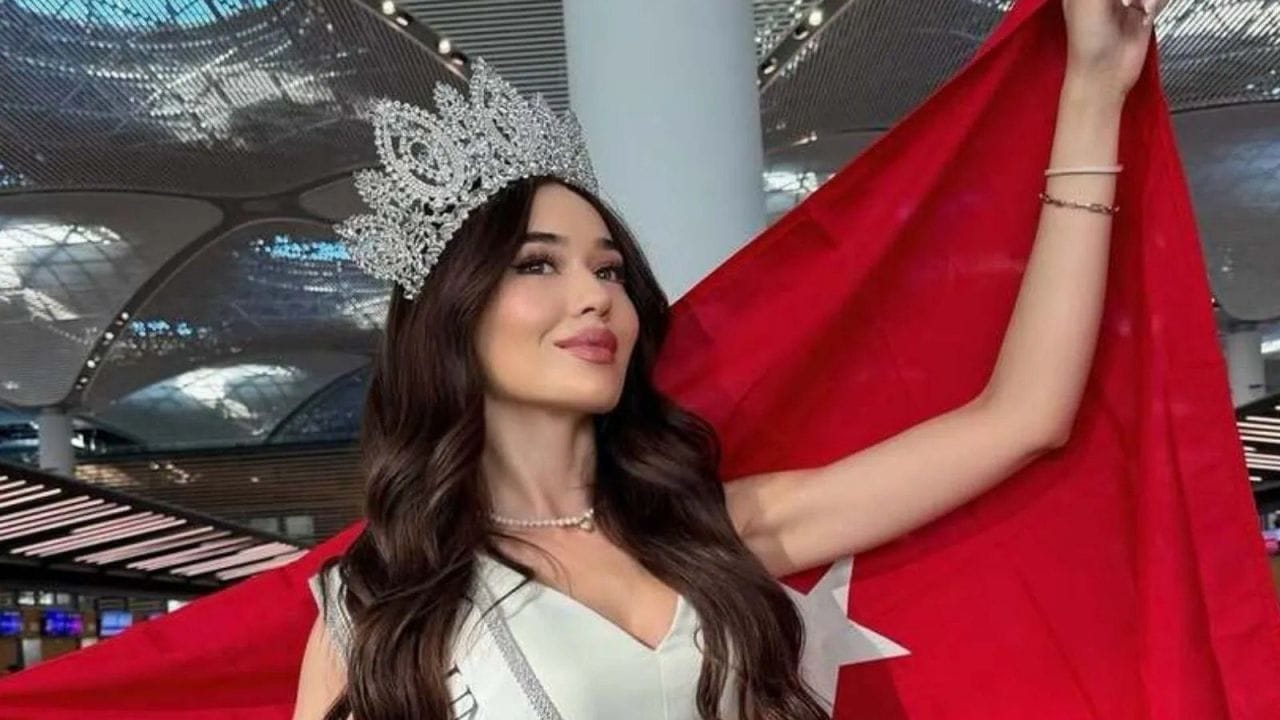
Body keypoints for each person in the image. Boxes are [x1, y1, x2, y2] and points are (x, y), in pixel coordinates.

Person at [292, 1, 1167, 718]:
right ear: (453, 312)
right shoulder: (375, 606)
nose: (595, 296)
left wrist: (1093, 93)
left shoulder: (713, 528)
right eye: (538, 264)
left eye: (609, 270)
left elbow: (1024, 417)